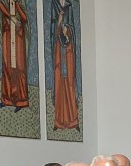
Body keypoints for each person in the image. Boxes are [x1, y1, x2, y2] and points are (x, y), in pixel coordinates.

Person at [50, 0, 79, 130]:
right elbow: (52, 29)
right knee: (59, 86)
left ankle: (73, 121)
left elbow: (72, 28)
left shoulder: (69, 6)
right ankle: (58, 121)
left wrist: (67, 30)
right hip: (58, 55)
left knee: (70, 86)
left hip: (68, 55)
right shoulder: (54, 4)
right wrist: (59, 22)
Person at [0, 0, 30, 110]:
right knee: (7, 67)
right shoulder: (3, 3)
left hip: (18, 38)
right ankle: (7, 99)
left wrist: (17, 5)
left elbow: (24, 18)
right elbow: (0, 6)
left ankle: (21, 100)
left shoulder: (19, 3)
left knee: (20, 68)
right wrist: (12, 18)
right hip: (7, 36)